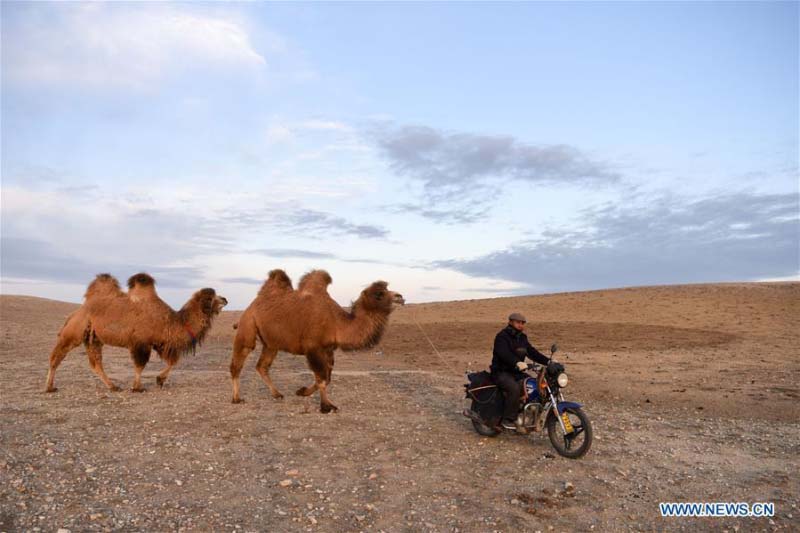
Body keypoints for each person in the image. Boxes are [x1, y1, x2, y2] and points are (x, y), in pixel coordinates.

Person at [491, 312, 551, 429]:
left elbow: (532, 352)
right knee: (514, 388)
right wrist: (516, 362)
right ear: (510, 322)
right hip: (501, 372)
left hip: (516, 372)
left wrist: (548, 362)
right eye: (518, 322)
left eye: (523, 323)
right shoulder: (502, 337)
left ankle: (530, 414)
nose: (521, 325)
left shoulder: (522, 338)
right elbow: (503, 353)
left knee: (535, 386)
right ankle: (508, 419)